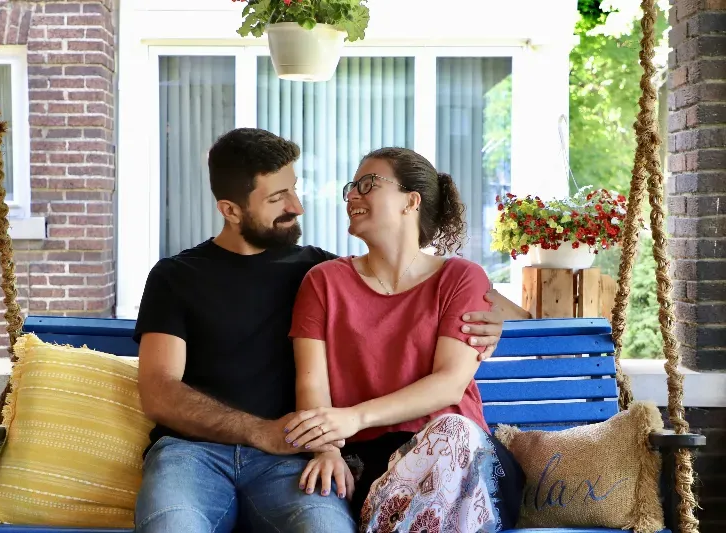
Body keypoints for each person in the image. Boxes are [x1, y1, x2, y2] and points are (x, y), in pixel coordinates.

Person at [132, 128, 517, 533]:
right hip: (198, 455)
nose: (297, 206)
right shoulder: (179, 277)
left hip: (293, 459)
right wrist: (276, 434)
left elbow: (423, 283)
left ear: (412, 201)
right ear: (230, 210)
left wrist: (504, 317)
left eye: (293, 190)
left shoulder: (314, 268)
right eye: (277, 197)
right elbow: (160, 391)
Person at [286, 147, 526, 532]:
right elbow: (311, 383)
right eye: (351, 187)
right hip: (374, 465)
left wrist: (354, 417)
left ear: (410, 201)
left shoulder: (461, 279)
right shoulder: (324, 282)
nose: (352, 195)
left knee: (453, 432)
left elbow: (449, 385)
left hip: (468, 461)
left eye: (368, 184)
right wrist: (327, 448)